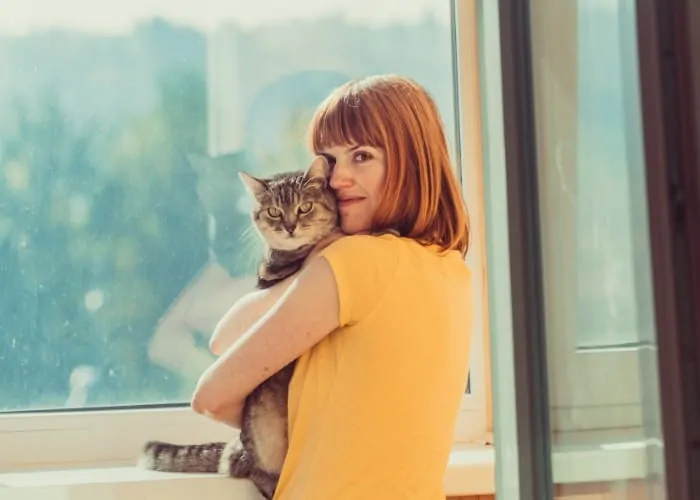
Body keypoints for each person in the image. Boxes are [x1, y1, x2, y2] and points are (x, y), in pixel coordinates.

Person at [191, 74, 473, 500]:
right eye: (330, 159)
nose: (336, 178)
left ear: (411, 163)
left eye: (361, 156)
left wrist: (321, 258)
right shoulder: (452, 269)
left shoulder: (355, 261)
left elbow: (213, 389)